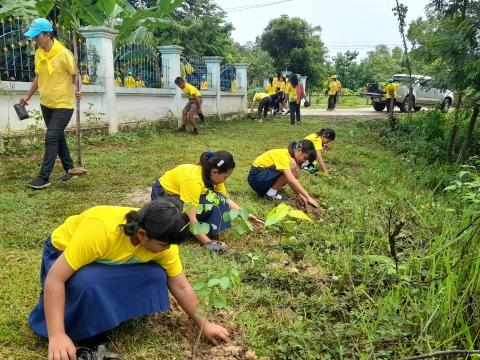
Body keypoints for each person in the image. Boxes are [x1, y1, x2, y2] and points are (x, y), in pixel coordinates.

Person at [29, 199, 231, 359]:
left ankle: (112, 311)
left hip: (111, 262)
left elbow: (181, 285)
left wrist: (204, 325)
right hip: (61, 254)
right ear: (142, 234)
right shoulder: (101, 231)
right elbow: (55, 279)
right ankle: (82, 322)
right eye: (164, 245)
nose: (168, 250)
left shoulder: (162, 240)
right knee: (87, 283)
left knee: (155, 275)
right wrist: (56, 335)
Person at [151, 151, 262, 253]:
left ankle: (200, 232)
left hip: (182, 195)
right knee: (177, 225)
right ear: (215, 172)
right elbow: (191, 219)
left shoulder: (214, 176)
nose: (225, 180)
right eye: (225, 177)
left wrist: (246, 216)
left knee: (218, 200)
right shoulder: (193, 181)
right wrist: (209, 244)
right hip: (164, 195)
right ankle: (195, 233)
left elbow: (224, 200)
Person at [20, 18, 85, 190]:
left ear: (48, 35)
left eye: (37, 36)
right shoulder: (39, 54)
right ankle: (70, 168)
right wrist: (27, 97)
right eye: (33, 37)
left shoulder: (63, 53)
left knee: (51, 137)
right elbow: (38, 78)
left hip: (63, 104)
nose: (35, 40)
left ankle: (44, 177)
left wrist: (79, 88)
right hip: (46, 103)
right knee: (57, 136)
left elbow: (76, 74)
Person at [247, 140, 320, 208]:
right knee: (293, 166)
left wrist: (300, 194)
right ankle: (270, 194)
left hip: (261, 177)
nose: (303, 162)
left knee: (296, 172)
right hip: (257, 178)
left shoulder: (288, 155)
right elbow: (290, 179)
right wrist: (308, 197)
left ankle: (270, 191)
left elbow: (291, 179)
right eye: (304, 158)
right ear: (299, 151)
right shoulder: (284, 155)